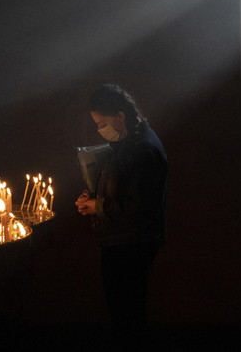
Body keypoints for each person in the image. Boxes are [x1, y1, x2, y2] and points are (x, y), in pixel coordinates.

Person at [76, 84, 167, 346]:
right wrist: (94, 196)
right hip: (123, 238)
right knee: (125, 308)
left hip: (132, 242)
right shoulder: (130, 141)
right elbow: (122, 184)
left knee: (127, 310)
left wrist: (98, 206)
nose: (99, 129)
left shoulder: (144, 149)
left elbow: (137, 208)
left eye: (102, 123)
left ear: (120, 116)